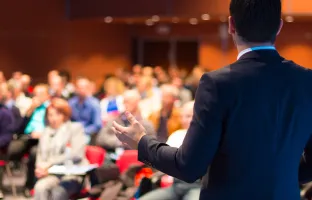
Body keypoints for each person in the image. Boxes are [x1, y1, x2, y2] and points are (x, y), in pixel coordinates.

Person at [112, 0, 312, 199]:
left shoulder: (217, 84)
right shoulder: (306, 80)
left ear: (231, 25)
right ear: (279, 26)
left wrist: (141, 142)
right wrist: (281, 177)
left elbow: (189, 166)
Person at [140, 101, 200, 200]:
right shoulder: (177, 135)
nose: (184, 120)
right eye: (182, 116)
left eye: (189, 116)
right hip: (175, 187)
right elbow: (162, 160)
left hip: (197, 187)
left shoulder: (207, 139)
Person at [34, 98, 88, 200]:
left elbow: (76, 154)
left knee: (57, 192)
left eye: (57, 114)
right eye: (50, 115)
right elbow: (40, 154)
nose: (53, 118)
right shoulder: (46, 131)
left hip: (72, 173)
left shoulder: (75, 128)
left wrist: (49, 163)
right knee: (40, 187)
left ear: (65, 115)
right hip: (51, 173)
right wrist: (40, 168)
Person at [69, 77, 102, 144]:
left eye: (84, 87)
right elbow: (67, 120)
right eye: (79, 87)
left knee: (79, 142)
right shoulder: (71, 102)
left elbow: (97, 125)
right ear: (76, 88)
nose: (81, 90)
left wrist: (82, 131)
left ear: (88, 89)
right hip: (72, 132)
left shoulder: (94, 104)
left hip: (86, 134)